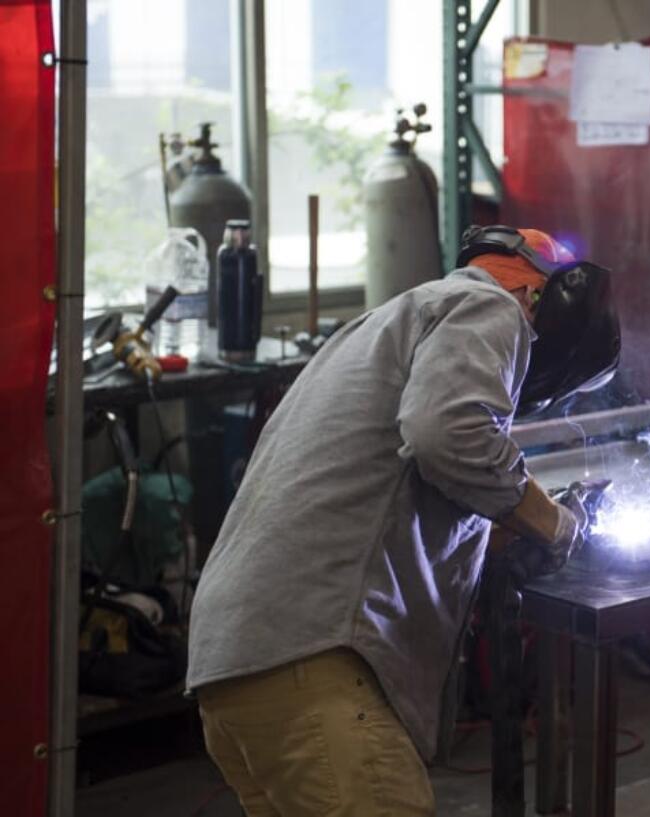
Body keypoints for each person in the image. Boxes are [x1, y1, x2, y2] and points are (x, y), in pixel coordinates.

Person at [186, 226, 620, 816]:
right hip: (315, 669)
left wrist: (502, 532)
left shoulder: (384, 325)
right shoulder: (492, 307)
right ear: (545, 299)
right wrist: (561, 526)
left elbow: (392, 490)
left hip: (238, 669)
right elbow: (450, 437)